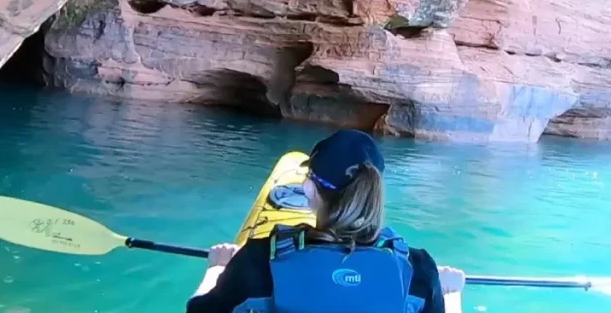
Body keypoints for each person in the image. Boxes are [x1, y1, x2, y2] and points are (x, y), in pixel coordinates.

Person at [186, 129, 465, 313]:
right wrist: (451, 293)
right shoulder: (418, 269)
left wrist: (217, 267)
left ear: (308, 188)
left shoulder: (258, 258)